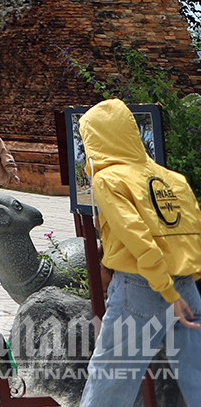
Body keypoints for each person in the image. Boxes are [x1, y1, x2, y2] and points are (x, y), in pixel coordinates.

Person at [76, 98, 201, 406]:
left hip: (141, 287)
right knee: (197, 375)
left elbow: (137, 237)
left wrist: (166, 290)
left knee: (111, 380)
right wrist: (181, 284)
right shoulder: (172, 178)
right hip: (186, 285)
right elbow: (192, 232)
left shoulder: (108, 179)